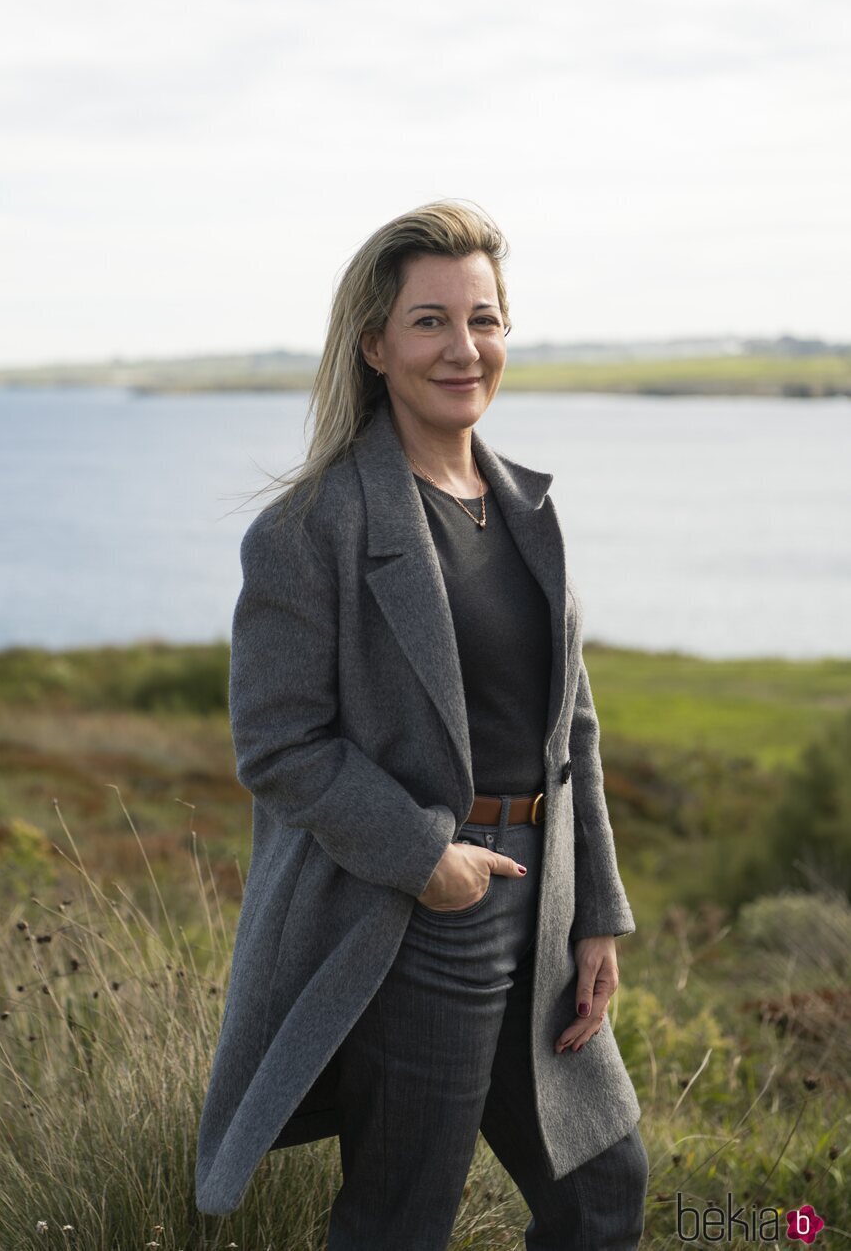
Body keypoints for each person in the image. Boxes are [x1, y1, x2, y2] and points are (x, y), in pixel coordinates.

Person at [195, 199, 649, 1249]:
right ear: (373, 345)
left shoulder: (526, 508)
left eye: (482, 320)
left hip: (541, 902)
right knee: (400, 1221)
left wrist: (596, 913)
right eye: (430, 321)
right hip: (416, 913)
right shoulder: (309, 531)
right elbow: (277, 743)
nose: (463, 348)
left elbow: (569, 728)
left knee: (601, 1190)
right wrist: (424, 858)